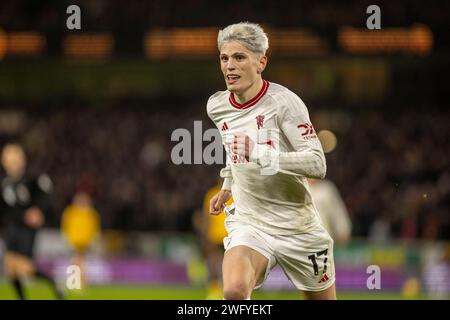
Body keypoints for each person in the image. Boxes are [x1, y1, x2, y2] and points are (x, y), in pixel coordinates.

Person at [207, 22, 336, 300]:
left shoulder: (285, 103)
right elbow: (233, 149)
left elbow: (317, 164)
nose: (230, 66)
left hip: (298, 228)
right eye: (224, 58)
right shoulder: (217, 106)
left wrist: (260, 153)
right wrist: (228, 184)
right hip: (250, 222)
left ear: (261, 62)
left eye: (239, 57)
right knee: (233, 292)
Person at [0, 143, 63, 299]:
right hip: (11, 227)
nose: (11, 162)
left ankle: (53, 283)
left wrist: (39, 211)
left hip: (26, 228)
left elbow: (46, 196)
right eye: (8, 159)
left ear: (22, 160)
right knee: (10, 269)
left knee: (24, 267)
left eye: (14, 158)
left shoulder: (32, 177)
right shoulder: (5, 182)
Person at [192, 178, 233, 299]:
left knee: (230, 267)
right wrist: (205, 236)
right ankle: (214, 293)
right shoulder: (212, 193)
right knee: (213, 265)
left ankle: (230, 292)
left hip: (232, 237)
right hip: (215, 237)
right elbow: (207, 216)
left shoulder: (236, 193)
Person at [61, 190, 101, 290]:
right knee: (75, 261)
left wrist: (92, 240)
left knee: (81, 262)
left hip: (85, 241)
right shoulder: (71, 212)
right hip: (74, 240)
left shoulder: (91, 213)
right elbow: (66, 226)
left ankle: (81, 283)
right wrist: (68, 238)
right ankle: (73, 282)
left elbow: (94, 228)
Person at [308, 178, 352, 245]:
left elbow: (337, 211)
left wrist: (342, 230)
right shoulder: (295, 187)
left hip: (323, 240)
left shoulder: (327, 189)